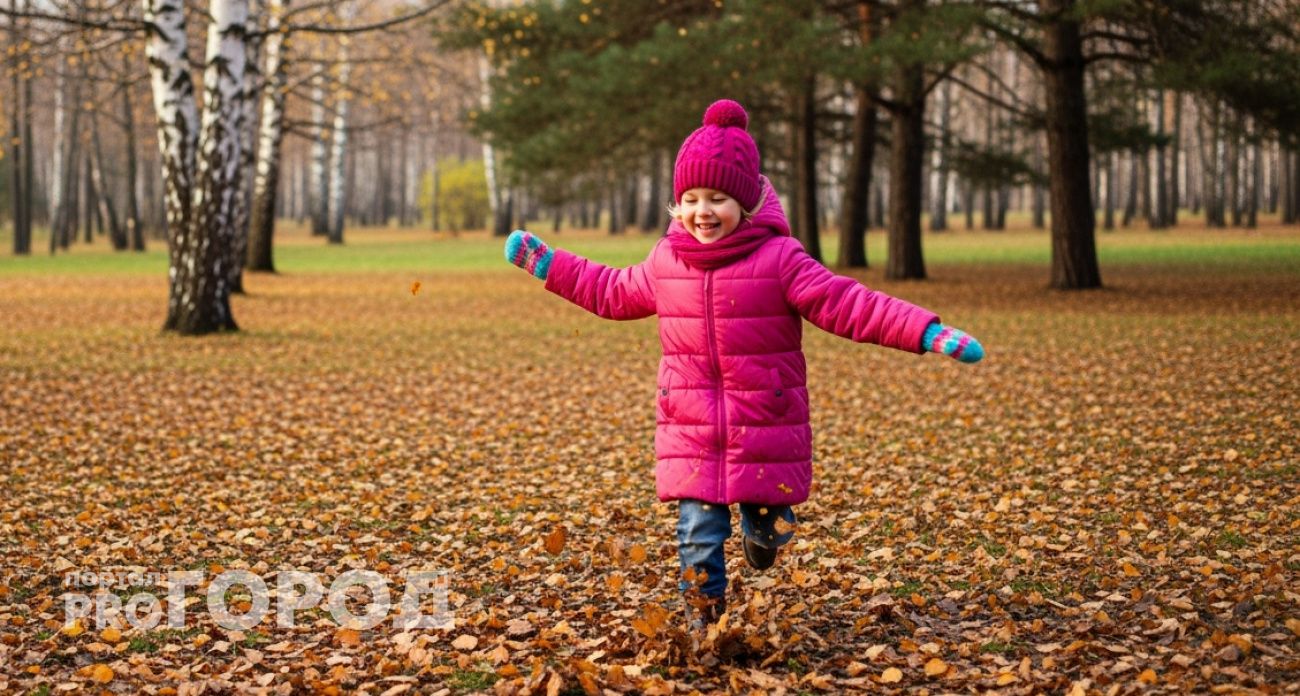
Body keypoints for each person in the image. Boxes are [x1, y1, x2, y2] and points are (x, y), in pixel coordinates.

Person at [503, 99, 983, 631]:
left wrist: (926, 331)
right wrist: (547, 263)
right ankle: (706, 627)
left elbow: (849, 304)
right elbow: (610, 290)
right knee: (696, 534)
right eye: (690, 198)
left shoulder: (780, 260)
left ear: (748, 201)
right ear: (676, 203)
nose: (702, 211)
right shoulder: (668, 261)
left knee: (770, 526)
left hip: (764, 427)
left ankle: (764, 533)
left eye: (718, 198)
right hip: (692, 430)